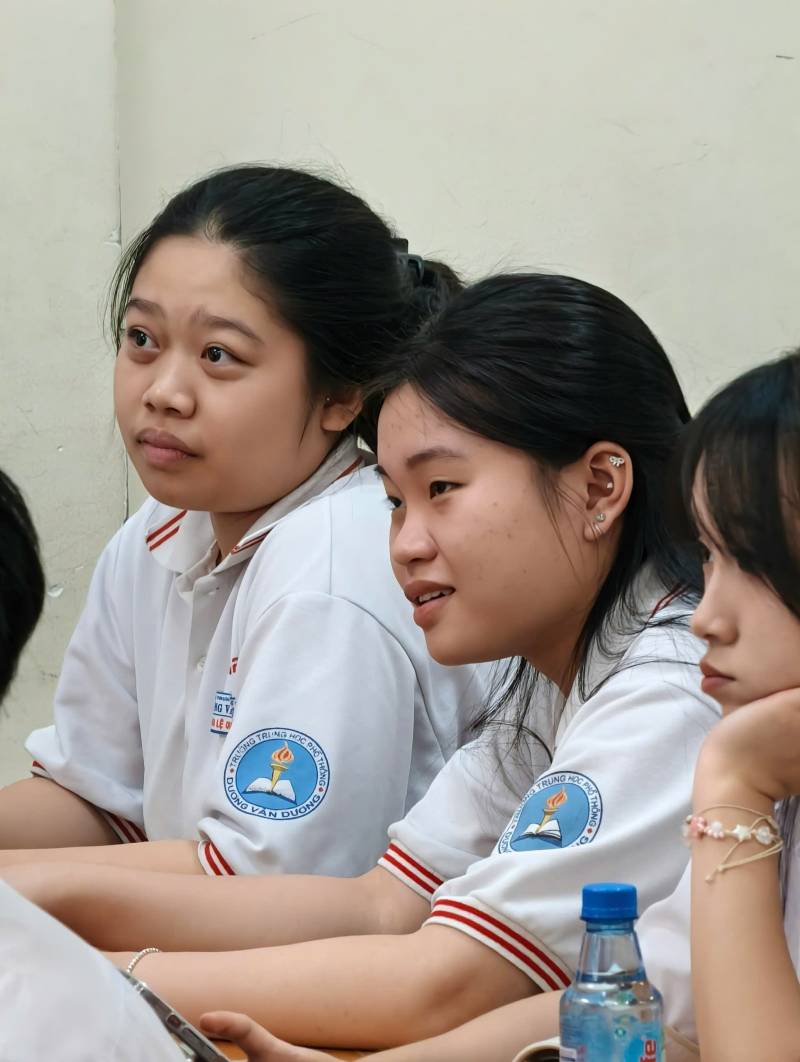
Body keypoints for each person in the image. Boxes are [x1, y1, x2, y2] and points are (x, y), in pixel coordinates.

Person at [5, 274, 720, 1055]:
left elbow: (448, 981)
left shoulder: (669, 686)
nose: (405, 545)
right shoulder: (554, 679)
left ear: (600, 487)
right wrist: (44, 906)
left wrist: (89, 973)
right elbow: (384, 903)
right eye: (396, 501)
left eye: (443, 489)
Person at [0, 165, 485, 879]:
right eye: (142, 339)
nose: (164, 392)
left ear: (342, 394)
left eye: (218, 355)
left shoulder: (334, 565)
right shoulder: (162, 529)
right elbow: (96, 797)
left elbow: (261, 886)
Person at [631, 349, 800, 1060]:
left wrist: (735, 776)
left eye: (754, 560)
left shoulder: (750, 758)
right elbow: (649, 1010)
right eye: (708, 555)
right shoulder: (779, 758)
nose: (706, 617)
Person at [0, 467, 184, 1060]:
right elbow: (94, 788)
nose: (163, 407)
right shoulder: (155, 529)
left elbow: (261, 871)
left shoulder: (331, 578)